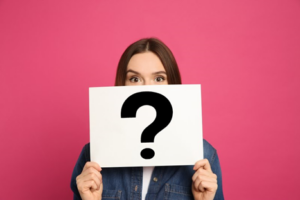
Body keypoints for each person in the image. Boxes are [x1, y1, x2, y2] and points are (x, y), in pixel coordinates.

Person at [71, 38, 224, 200]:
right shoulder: (95, 156)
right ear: (121, 84)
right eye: (135, 79)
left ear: (173, 83)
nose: (146, 88)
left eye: (159, 78)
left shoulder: (202, 156)